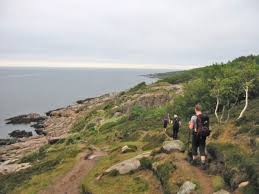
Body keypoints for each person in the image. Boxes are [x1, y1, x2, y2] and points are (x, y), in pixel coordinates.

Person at [189, 104, 210, 169]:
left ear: (195, 109)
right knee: (202, 147)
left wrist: (189, 124)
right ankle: (203, 163)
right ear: (200, 109)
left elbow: (191, 127)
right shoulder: (205, 116)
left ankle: (194, 161)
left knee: (194, 147)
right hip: (203, 134)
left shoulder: (193, 117)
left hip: (195, 135)